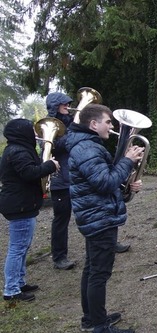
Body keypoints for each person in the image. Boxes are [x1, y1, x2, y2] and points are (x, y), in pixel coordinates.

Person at [66, 104, 143, 332]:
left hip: (96, 215)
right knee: (99, 273)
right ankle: (99, 326)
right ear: (93, 124)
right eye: (108, 122)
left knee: (91, 269)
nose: (112, 126)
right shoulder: (88, 148)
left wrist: (128, 186)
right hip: (99, 218)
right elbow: (105, 183)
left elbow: (107, 182)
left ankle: (91, 319)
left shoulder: (87, 146)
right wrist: (127, 160)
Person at [1, 119, 59, 302]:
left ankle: (19, 281)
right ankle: (11, 290)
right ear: (22, 133)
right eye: (31, 131)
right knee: (17, 248)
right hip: (20, 205)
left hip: (22, 203)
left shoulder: (17, 149)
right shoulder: (18, 151)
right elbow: (29, 173)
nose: (35, 135)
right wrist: (50, 165)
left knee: (22, 247)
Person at [45, 92, 77, 270]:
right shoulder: (47, 125)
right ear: (54, 106)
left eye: (68, 102)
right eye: (64, 103)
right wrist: (72, 132)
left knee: (90, 211)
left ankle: (106, 244)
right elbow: (49, 146)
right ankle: (59, 257)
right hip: (60, 180)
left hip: (76, 175)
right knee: (61, 219)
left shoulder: (72, 122)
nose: (68, 105)